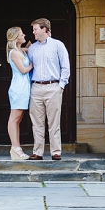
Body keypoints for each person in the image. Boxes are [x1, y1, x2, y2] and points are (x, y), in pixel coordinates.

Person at [26, 17, 70, 160]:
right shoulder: (32, 48)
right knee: (37, 122)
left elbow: (65, 67)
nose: (33, 32)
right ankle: (37, 152)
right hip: (36, 87)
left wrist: (61, 86)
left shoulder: (58, 45)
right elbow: (29, 67)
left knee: (53, 122)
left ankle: (55, 151)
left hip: (53, 87)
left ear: (45, 29)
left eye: (35, 29)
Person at [5, 26, 33, 160]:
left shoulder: (19, 51)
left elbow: (28, 49)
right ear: (16, 37)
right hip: (19, 88)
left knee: (18, 118)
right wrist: (32, 65)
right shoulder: (15, 53)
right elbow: (23, 70)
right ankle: (15, 148)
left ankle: (16, 148)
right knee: (14, 118)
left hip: (24, 87)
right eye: (22, 34)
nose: (24, 35)